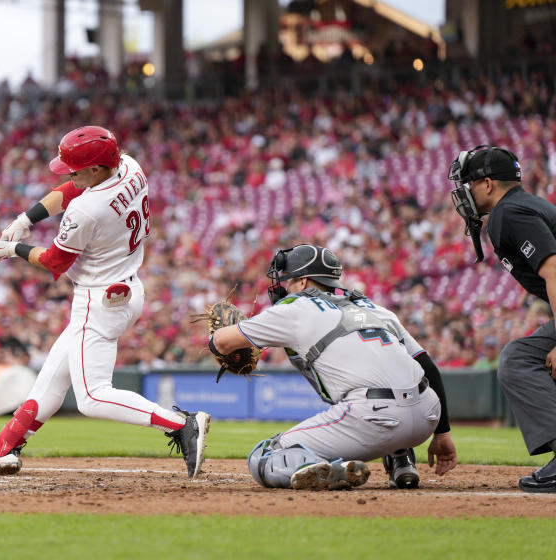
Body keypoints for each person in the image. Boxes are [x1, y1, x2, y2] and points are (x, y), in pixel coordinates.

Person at [0, 126, 210, 478]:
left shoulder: (87, 210)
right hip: (126, 287)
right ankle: (2, 449)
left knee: (92, 397)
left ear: (97, 169)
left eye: (76, 168)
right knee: (52, 380)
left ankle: (181, 423)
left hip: (98, 299)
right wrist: (26, 220)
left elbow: (56, 261)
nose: (70, 174)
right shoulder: (129, 166)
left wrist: (13, 249)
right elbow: (73, 187)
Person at [208, 244, 457, 490]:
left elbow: (222, 341)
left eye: (289, 281)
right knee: (384, 381)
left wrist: (214, 340)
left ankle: (333, 471)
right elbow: (429, 368)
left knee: (263, 456)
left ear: (303, 282)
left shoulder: (294, 309)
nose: (285, 287)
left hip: (375, 420)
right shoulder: (376, 308)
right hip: (427, 415)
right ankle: (402, 463)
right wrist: (442, 435)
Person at [448, 144, 556, 493]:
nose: (465, 193)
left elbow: (554, 268)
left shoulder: (508, 213)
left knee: (520, 359)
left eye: (469, 184)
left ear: (489, 184)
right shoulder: (525, 205)